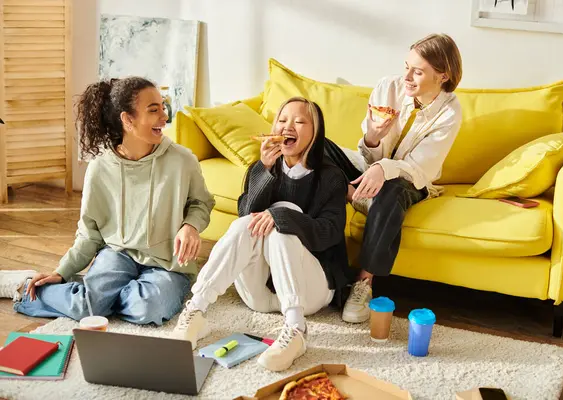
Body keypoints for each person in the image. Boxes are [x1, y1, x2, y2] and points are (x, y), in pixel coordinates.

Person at [0, 77, 215, 326]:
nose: (164, 117)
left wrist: (191, 226)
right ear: (127, 119)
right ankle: (26, 287)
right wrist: (62, 272)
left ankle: (96, 296)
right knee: (85, 307)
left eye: (163, 107)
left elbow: (202, 203)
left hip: (167, 264)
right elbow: (89, 234)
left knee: (147, 308)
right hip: (118, 254)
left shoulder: (182, 160)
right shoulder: (100, 168)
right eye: (153, 110)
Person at [171, 97, 352, 372]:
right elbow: (246, 215)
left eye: (300, 121)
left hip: (308, 293)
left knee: (282, 221)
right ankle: (196, 309)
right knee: (246, 223)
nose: (288, 125)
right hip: (260, 295)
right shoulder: (263, 168)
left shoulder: (332, 177)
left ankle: (296, 329)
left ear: (316, 133)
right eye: (282, 120)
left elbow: (328, 233)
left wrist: (280, 216)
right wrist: (264, 171)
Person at [324, 33, 464, 324]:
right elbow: (368, 153)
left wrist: (383, 169)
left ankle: (364, 282)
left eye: (418, 71)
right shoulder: (387, 88)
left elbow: (419, 169)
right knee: (317, 146)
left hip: (409, 181)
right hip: (368, 168)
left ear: (443, 75)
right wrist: (373, 137)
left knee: (391, 190)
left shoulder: (450, 112)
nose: (407, 77)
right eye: (406, 66)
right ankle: (354, 202)